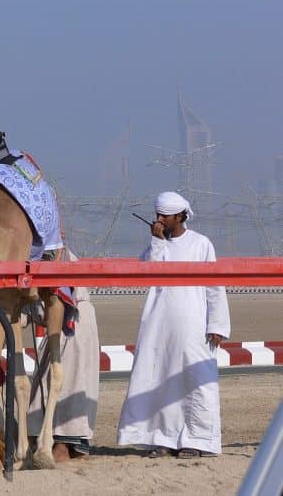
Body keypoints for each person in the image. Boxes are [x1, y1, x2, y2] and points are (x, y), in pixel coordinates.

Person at [117, 191, 231, 459]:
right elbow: (147, 276)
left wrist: (217, 324)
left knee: (195, 381)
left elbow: (215, 287)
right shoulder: (156, 246)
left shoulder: (201, 244)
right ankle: (161, 439)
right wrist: (156, 242)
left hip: (193, 326)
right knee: (160, 380)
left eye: (164, 217)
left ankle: (197, 441)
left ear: (180, 216)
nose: (159, 220)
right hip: (158, 327)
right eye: (156, 216)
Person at [25, 251, 100, 462]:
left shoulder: (55, 255)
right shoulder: (32, 255)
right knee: (54, 377)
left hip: (72, 320)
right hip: (60, 326)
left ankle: (64, 443)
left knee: (71, 380)